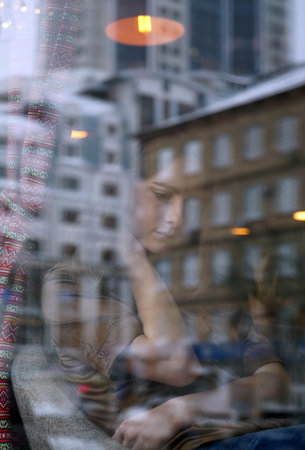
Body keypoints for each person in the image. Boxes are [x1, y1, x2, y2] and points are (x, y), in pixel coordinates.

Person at [42, 152, 292, 450]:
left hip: (259, 433)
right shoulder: (72, 287)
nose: (179, 218)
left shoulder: (200, 283)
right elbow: (175, 363)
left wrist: (180, 409)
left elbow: (275, 382)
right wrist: (131, 254)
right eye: (162, 195)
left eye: (194, 203)